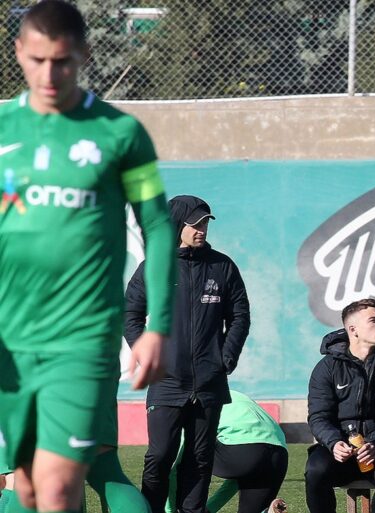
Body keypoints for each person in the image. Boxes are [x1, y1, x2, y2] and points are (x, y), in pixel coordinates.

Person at [0, 1, 176, 511]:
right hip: (11, 336)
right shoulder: (4, 130)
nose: (48, 74)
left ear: (84, 54)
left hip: (82, 337)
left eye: (62, 61)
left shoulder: (120, 135)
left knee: (57, 487)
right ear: (19, 52)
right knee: (25, 487)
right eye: (37, 60)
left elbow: (157, 225)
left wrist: (159, 326)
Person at [125, 195, 250, 513]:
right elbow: (130, 315)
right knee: (160, 455)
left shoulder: (223, 266)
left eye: (206, 223)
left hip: (209, 381)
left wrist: (226, 358)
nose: (202, 229)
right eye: (195, 224)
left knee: (200, 457)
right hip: (166, 381)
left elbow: (239, 316)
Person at [304, 298, 375, 513]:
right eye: (374, 320)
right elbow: (318, 417)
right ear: (353, 330)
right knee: (315, 470)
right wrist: (334, 443)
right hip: (340, 447)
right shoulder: (326, 367)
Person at [166, 390, 289, 513]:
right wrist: (209, 509)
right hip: (279, 455)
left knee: (186, 454)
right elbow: (241, 473)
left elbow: (172, 465)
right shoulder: (232, 394)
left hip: (242, 451)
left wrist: (170, 510)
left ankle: (188, 509)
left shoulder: (190, 401)